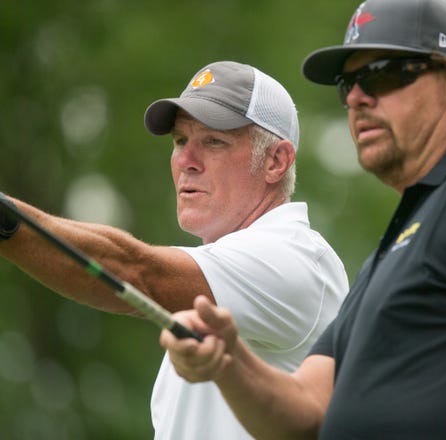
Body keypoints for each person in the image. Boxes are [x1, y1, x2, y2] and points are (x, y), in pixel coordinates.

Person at [160, 0, 446, 439]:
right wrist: (229, 362)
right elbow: (308, 412)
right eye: (348, 83)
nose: (355, 97)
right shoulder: (389, 255)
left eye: (383, 74)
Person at [0, 60, 349, 439]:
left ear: (276, 161)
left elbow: (136, 271)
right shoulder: (236, 273)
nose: (185, 161)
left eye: (213, 141)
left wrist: (7, 224)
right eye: (181, 141)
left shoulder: (293, 254)